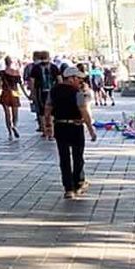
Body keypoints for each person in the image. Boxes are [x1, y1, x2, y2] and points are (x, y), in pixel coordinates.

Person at [45, 64, 97, 199]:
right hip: (75, 126)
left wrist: (48, 125)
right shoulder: (77, 93)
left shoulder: (53, 91)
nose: (80, 81)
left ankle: (68, 188)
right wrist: (91, 129)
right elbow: (83, 111)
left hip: (60, 126)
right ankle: (78, 183)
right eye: (78, 78)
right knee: (78, 156)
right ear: (71, 78)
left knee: (64, 158)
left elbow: (48, 108)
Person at [0, 57, 25, 139]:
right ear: (11, 62)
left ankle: (10, 133)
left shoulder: (2, 73)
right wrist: (26, 95)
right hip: (15, 92)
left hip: (5, 92)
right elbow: (21, 85)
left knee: (7, 114)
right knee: (15, 113)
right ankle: (14, 126)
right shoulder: (16, 72)